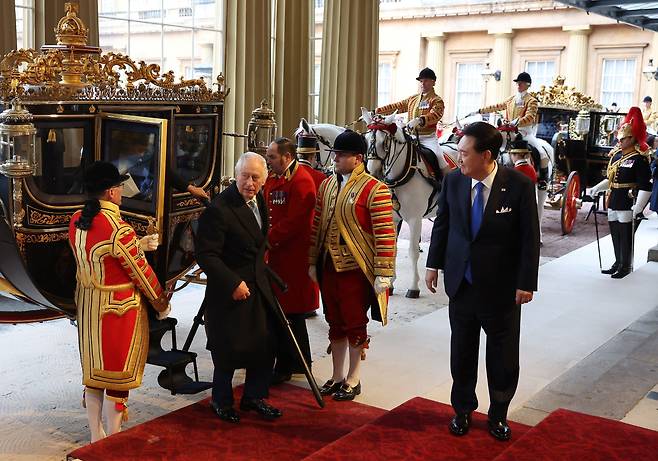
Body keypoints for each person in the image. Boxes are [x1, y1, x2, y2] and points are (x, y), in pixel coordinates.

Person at [424, 122, 540, 441]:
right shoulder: (454, 183)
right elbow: (442, 226)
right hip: (462, 283)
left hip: (501, 289)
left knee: (502, 356)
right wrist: (433, 264)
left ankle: (498, 413)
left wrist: (526, 282)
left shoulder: (517, 185)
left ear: (486, 155)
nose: (458, 159)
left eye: (463, 153)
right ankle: (462, 410)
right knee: (462, 351)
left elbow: (530, 237)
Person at [68, 161, 170, 443]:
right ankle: (113, 436)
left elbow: (105, 252)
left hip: (88, 308)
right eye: (120, 188)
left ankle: (94, 435)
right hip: (117, 309)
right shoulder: (119, 228)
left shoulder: (77, 219)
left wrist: (138, 243)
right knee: (116, 376)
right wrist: (161, 303)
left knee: (93, 374)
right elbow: (140, 272)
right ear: (112, 192)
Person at [308, 130, 396, 401]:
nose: (335, 158)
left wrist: (383, 272)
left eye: (342, 155)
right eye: (336, 154)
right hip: (328, 266)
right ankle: (336, 376)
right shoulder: (327, 185)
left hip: (356, 269)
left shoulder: (375, 189)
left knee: (354, 322)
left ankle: (354, 377)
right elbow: (317, 226)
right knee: (333, 321)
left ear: (358, 159)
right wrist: (312, 260)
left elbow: (384, 232)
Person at [196, 152, 282, 424]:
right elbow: (206, 254)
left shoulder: (259, 201)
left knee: (264, 343)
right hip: (229, 288)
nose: (249, 182)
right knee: (228, 347)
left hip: (258, 285)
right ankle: (220, 401)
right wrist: (233, 282)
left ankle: (254, 397)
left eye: (256, 177)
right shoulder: (220, 208)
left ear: (264, 180)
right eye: (244, 176)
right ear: (236, 175)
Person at [264, 137, 319, 385]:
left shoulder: (301, 181)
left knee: (292, 311)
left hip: (293, 257)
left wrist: (267, 239)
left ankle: (293, 363)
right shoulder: (274, 178)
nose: (268, 161)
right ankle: (288, 361)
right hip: (276, 256)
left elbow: (296, 221)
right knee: (279, 311)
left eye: (272, 157)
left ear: (287, 157)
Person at [589, 107, 652, 279]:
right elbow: (611, 179)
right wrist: (596, 188)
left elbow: (646, 185)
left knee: (625, 235)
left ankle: (626, 265)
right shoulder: (616, 157)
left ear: (632, 138)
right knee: (615, 233)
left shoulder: (639, 159)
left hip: (628, 199)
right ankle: (618, 262)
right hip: (614, 198)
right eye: (620, 138)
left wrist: (639, 205)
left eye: (624, 139)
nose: (620, 142)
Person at [375, 67, 449, 172]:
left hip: (428, 138)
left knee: (439, 158)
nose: (423, 84)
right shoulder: (413, 99)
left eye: (426, 81)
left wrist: (420, 120)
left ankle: (446, 183)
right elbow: (397, 106)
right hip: (411, 136)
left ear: (433, 82)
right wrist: (376, 111)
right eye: (421, 81)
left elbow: (436, 114)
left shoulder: (437, 100)